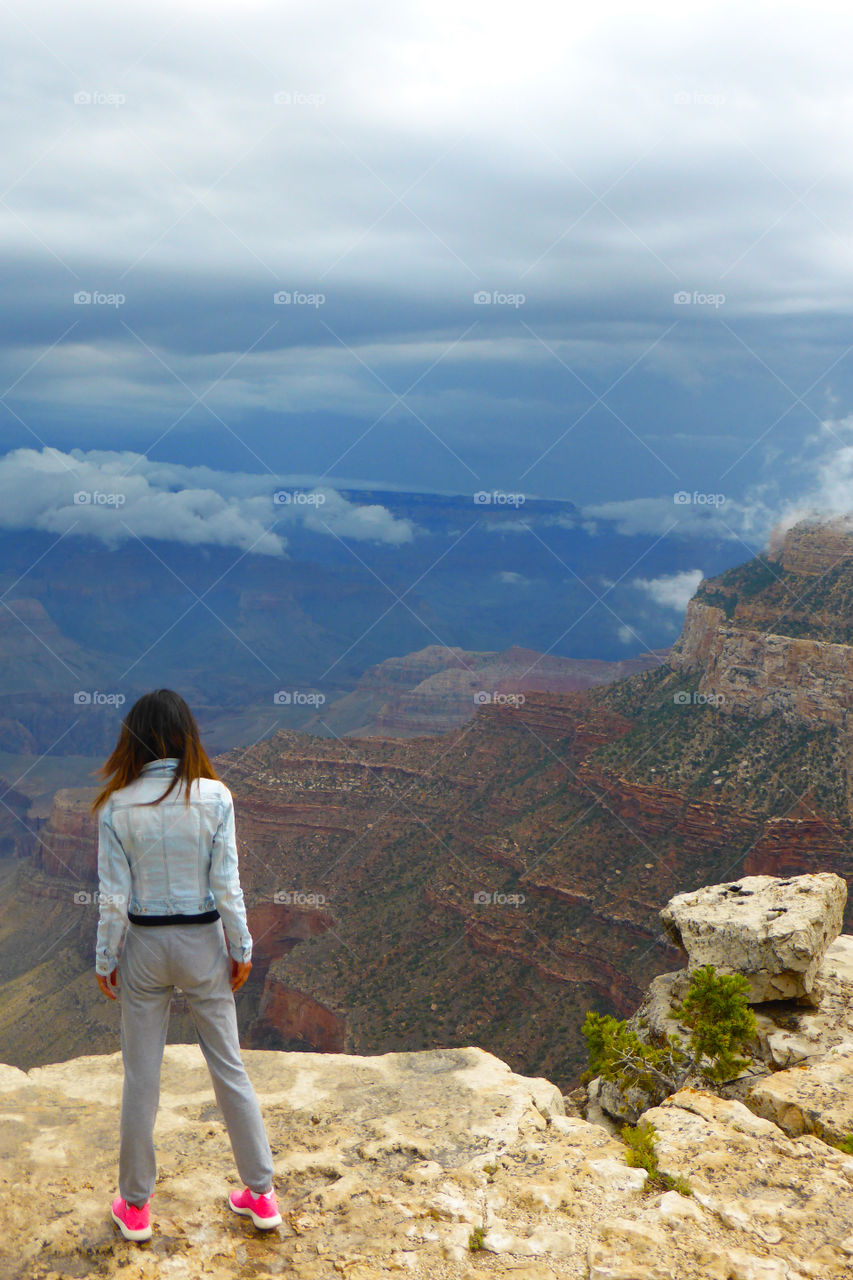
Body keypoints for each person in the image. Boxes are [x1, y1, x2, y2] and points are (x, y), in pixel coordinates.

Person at [92, 688, 281, 1241]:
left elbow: (112, 899)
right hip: (203, 943)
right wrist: (242, 948)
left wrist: (106, 959)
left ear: (135, 740)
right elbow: (227, 886)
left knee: (140, 1078)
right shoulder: (216, 797)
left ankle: (135, 1208)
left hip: (145, 948)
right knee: (229, 1068)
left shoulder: (115, 806)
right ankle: (261, 1195)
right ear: (187, 735)